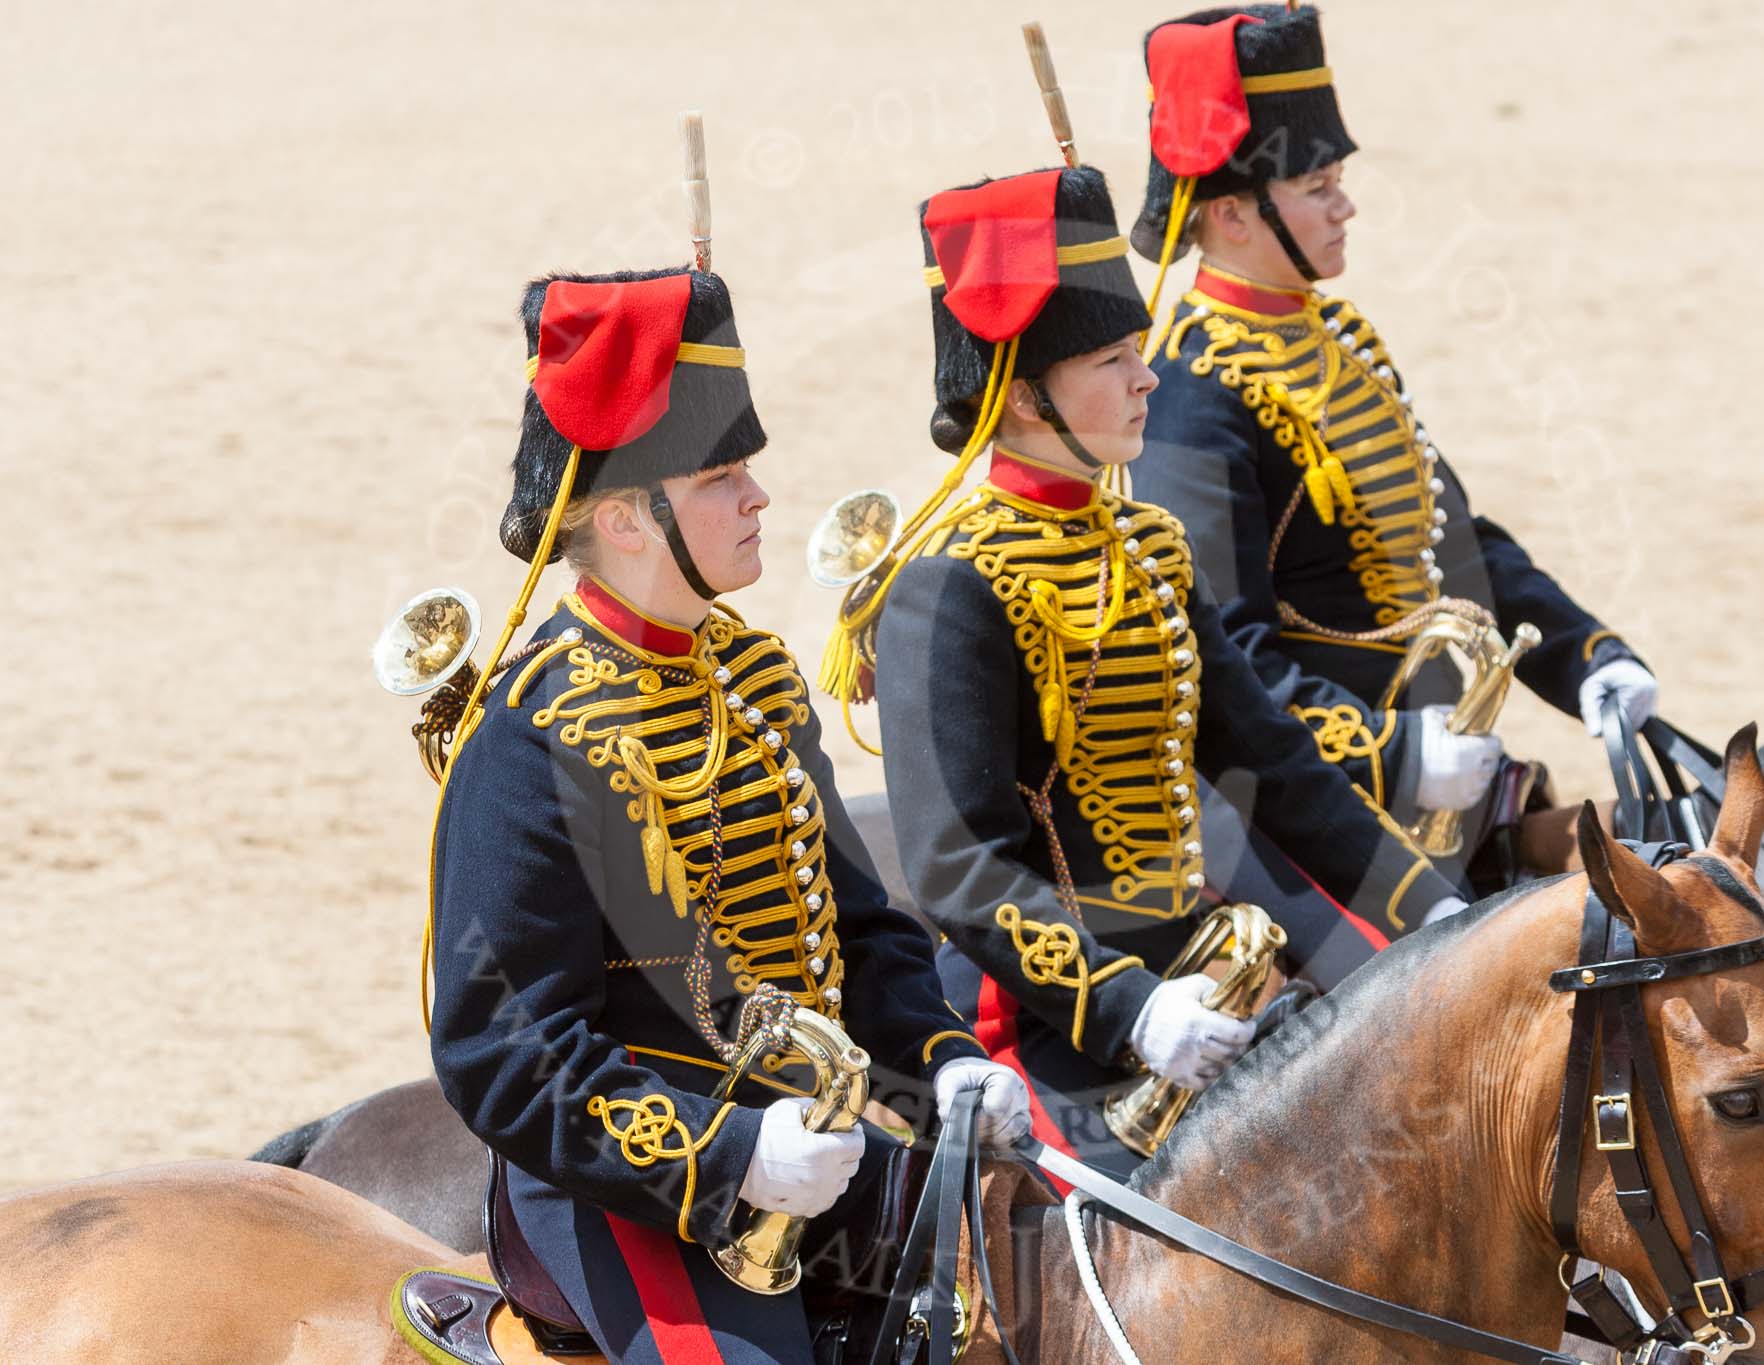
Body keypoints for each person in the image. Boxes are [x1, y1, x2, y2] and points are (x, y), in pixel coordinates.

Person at [426, 265, 1028, 1365]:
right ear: (623, 516)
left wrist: (937, 1057)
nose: (756, 499)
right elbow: (500, 1051)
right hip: (632, 1193)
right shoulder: (527, 731)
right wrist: (729, 1153)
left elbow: (856, 923)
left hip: (821, 1145)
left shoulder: (752, 676)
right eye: (719, 477)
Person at [820, 164, 1466, 1179]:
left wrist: (1431, 912)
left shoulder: (1150, 547)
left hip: (1204, 983)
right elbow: (956, 869)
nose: (1146, 379)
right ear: (1026, 393)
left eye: (1138, 353)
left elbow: (1276, 764)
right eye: (1112, 360)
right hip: (1040, 1025)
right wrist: (1130, 1008)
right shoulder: (948, 586)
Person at [1128, 4, 1659, 882]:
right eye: (1317, 186)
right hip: (1300, 821)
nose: (1346, 205)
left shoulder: (1344, 345)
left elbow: (1453, 541)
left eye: (1337, 177)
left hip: (1447, 772)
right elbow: (1235, 663)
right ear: (1232, 213)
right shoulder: (1188, 399)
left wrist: (1583, 655)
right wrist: (1391, 753)